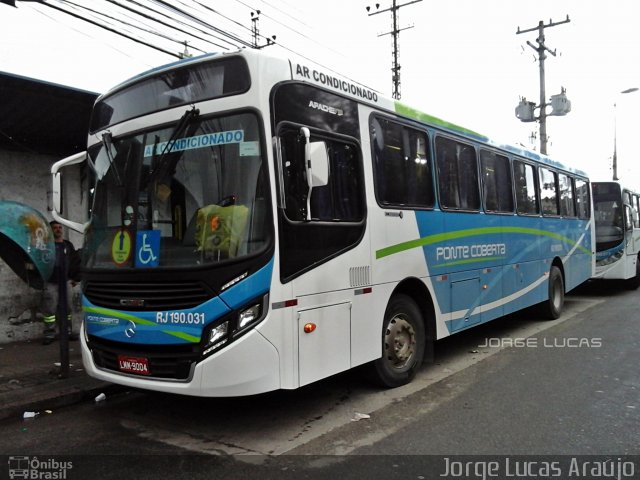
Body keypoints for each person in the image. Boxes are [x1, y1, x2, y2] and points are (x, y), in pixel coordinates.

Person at [41, 220, 81, 345]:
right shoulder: (46, 245)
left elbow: (75, 261)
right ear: (50, 230)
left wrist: (76, 278)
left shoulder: (67, 245)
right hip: (51, 282)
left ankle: (67, 332)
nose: (58, 230)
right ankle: (49, 333)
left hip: (66, 281)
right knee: (49, 310)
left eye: (60, 227)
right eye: (55, 228)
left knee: (68, 309)